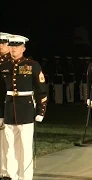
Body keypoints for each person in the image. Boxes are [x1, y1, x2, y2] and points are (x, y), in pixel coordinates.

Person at [0, 34, 47, 180]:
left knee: (26, 147)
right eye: (12, 46)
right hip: (9, 109)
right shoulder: (4, 65)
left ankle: (25, 177)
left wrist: (41, 110)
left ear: (23, 48)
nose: (14, 49)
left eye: (17, 46)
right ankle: (12, 175)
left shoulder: (32, 65)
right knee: (10, 147)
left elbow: (41, 89)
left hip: (26, 109)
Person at [0, 32, 11, 180]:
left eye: (4, 43)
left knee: (8, 142)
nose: (1, 46)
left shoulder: (14, 63)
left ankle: (8, 170)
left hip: (7, 107)